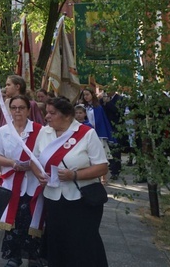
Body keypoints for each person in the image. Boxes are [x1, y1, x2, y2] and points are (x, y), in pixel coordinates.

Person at [33, 97, 109, 267]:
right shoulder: (44, 133)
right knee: (57, 243)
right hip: (54, 199)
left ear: (67, 116)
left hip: (81, 200)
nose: (47, 116)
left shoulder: (87, 133)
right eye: (47, 112)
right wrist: (39, 174)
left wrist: (74, 175)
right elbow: (34, 159)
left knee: (83, 245)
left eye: (52, 113)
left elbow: (102, 167)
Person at [0, 94, 43, 267]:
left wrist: (31, 165)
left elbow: (45, 156)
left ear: (29, 110)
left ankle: (33, 256)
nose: (17, 111)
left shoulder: (40, 130)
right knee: (13, 221)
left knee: (31, 220)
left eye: (21, 108)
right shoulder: (2, 131)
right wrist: (12, 163)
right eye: (14, 108)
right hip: (11, 184)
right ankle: (13, 256)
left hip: (32, 184)